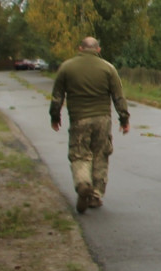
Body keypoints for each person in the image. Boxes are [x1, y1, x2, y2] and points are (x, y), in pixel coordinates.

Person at [49, 36, 130, 213]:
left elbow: (57, 97)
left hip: (79, 118)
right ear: (98, 50)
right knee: (100, 155)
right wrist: (124, 119)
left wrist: (55, 117)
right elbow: (118, 97)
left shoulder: (67, 67)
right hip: (103, 119)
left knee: (80, 155)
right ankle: (94, 196)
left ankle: (83, 183)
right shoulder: (108, 68)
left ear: (80, 48)